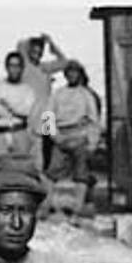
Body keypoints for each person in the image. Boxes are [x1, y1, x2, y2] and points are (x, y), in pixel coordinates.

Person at [45, 59, 100, 188]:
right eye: (69, 73)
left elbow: (93, 120)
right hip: (61, 137)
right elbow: (47, 116)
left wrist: (92, 143)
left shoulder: (86, 94)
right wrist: (55, 137)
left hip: (79, 137)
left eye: (75, 72)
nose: (72, 75)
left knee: (81, 175)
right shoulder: (57, 94)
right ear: (65, 75)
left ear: (79, 74)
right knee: (52, 174)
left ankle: (81, 203)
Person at [17, 33, 69, 171]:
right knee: (29, 156)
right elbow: (20, 45)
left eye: (40, 52)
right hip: (29, 116)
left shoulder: (45, 68)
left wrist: (51, 44)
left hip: (46, 115)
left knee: (48, 153)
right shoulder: (25, 66)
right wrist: (35, 40)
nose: (37, 54)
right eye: (34, 51)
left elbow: (64, 62)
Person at [0, 52, 37, 159]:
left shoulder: (28, 90)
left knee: (21, 169)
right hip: (1, 134)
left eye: (17, 66)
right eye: (11, 65)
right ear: (6, 67)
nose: (14, 69)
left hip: (20, 133)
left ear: (22, 68)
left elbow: (27, 111)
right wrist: (17, 108)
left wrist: (9, 106)